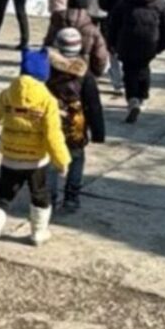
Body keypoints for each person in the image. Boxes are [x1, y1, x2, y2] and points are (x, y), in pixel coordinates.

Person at [0, 49, 71, 266]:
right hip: (36, 160)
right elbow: (53, 134)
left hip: (10, 157)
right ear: (44, 74)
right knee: (40, 195)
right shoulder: (47, 100)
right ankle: (38, 233)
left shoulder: (7, 93)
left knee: (3, 198)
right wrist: (62, 160)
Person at [48, 29, 107, 213]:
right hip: (76, 125)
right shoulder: (85, 75)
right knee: (76, 158)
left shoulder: (47, 69)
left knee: (51, 160)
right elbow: (93, 105)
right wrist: (98, 131)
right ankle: (71, 197)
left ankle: (49, 197)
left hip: (51, 122)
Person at [108, 0, 165, 125]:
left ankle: (132, 99)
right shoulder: (160, 3)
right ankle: (142, 96)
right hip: (149, 43)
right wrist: (162, 45)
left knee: (129, 70)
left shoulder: (125, 1)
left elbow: (113, 23)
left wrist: (112, 43)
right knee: (143, 68)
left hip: (126, 43)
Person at [43, 0, 110, 77]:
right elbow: (100, 56)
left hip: (56, 70)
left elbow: (48, 44)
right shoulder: (92, 29)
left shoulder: (56, 20)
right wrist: (96, 72)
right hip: (82, 72)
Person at [98, 0, 140, 92]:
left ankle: (118, 81)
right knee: (129, 52)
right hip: (132, 21)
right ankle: (130, 79)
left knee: (113, 51)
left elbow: (102, 3)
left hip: (113, 22)